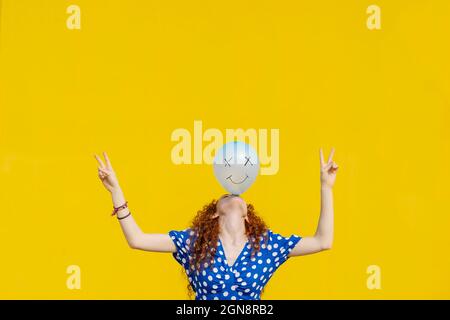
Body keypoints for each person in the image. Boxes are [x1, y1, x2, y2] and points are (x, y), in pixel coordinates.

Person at [94, 148, 338, 300]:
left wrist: (325, 186)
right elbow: (137, 240)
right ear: (213, 215)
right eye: (225, 197)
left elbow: (322, 241)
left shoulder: (267, 246)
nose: (233, 195)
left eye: (240, 199)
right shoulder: (193, 243)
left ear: (247, 217)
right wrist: (116, 191)